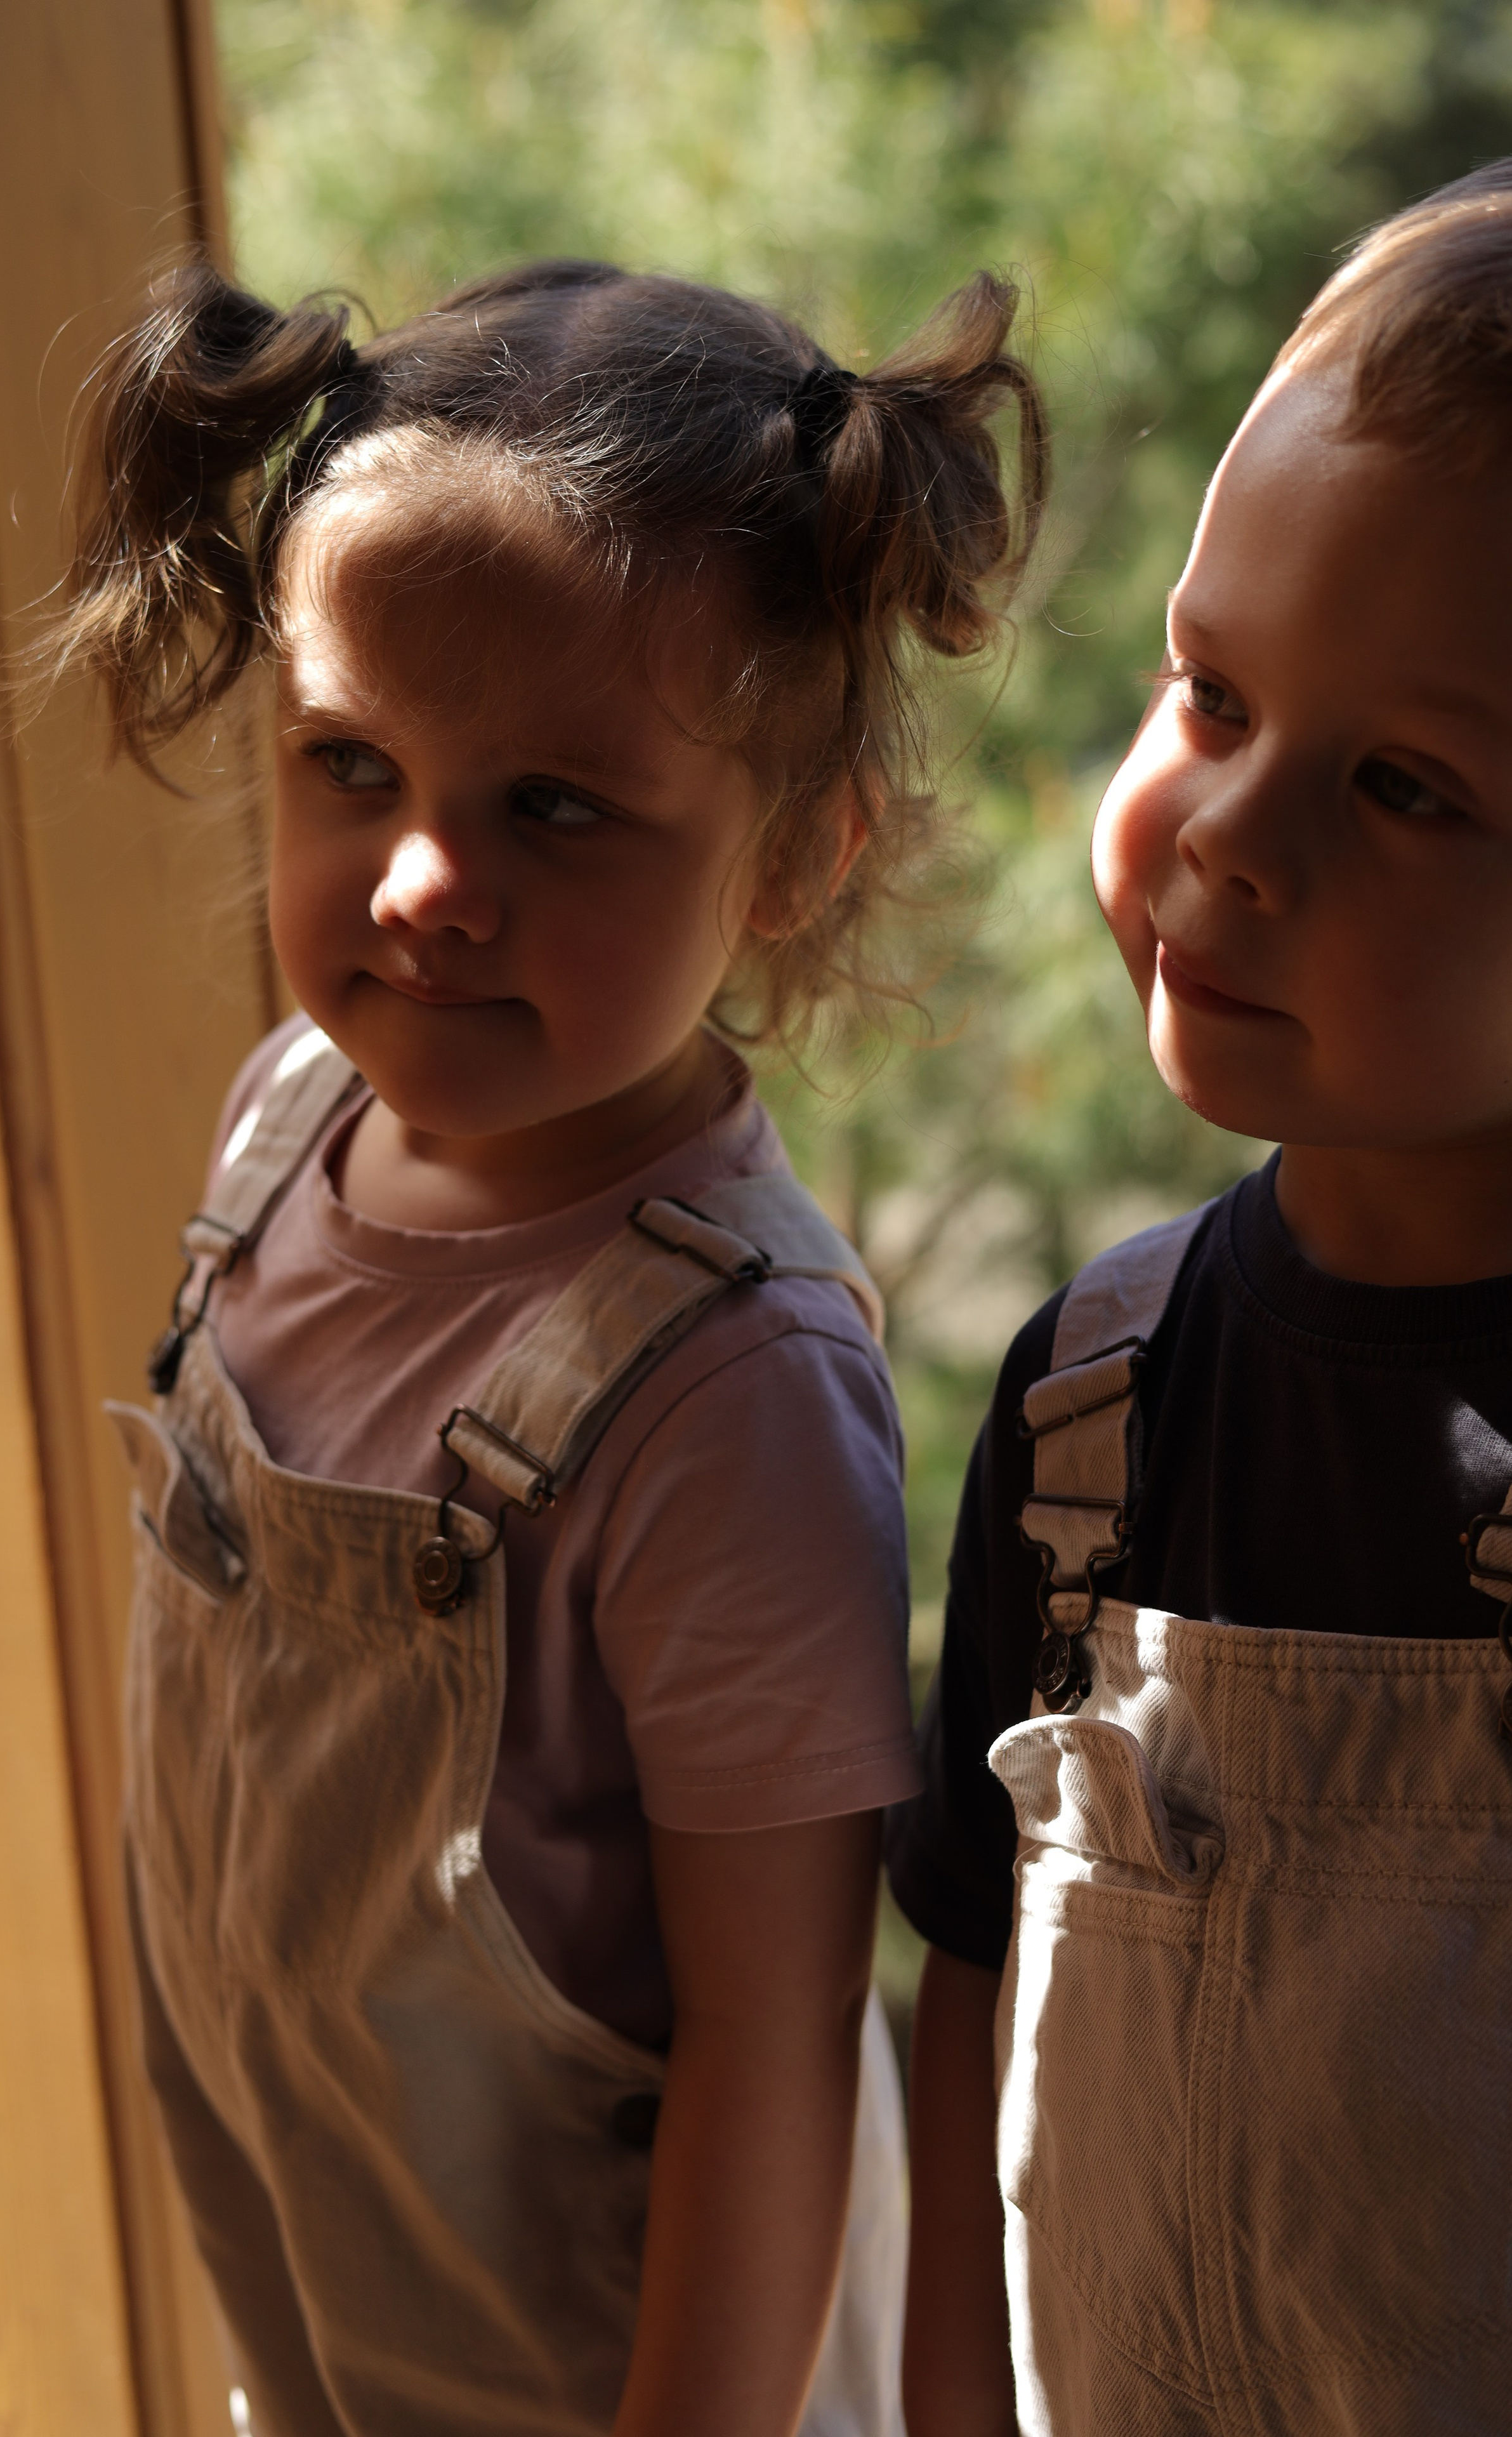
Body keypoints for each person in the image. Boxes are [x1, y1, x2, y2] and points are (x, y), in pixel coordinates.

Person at [54, 254, 1046, 2437]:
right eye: (351, 762)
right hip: (330, 2281)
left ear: (798, 854)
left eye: (553, 807)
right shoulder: (289, 1123)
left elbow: (776, 2066)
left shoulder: (727, 1396)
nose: (420, 882)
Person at [890, 162, 1512, 2437]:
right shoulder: (1091, 1411)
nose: (1230, 831)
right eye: (1211, 689)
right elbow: (974, 1981)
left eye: (1411, 787)